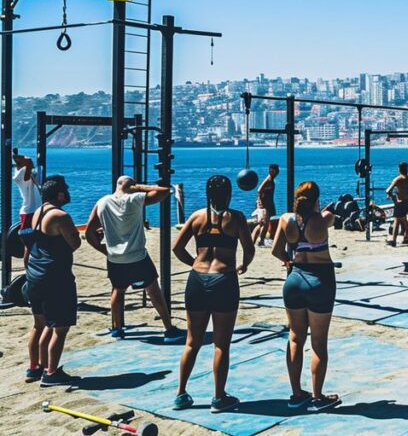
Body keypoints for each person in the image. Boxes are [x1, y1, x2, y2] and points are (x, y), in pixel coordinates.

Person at [170, 175, 254, 412]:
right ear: (228, 194)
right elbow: (249, 249)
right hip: (224, 280)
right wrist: (244, 265)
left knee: (192, 342)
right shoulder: (236, 218)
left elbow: (177, 247)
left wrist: (193, 263)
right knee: (221, 344)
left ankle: (181, 393)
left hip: (197, 280)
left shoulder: (197, 217)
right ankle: (218, 397)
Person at [85, 176, 183, 341]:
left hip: (115, 257)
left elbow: (89, 233)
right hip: (137, 255)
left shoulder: (102, 202)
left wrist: (104, 250)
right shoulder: (134, 198)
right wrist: (140, 187)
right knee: (153, 290)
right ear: (129, 185)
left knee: (118, 289)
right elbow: (165, 191)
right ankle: (168, 328)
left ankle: (117, 328)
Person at [272, 181, 341, 411]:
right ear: (316, 199)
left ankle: (296, 394)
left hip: (294, 280)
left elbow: (276, 250)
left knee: (295, 338)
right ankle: (317, 397)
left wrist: (289, 261)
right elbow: (331, 216)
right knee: (319, 343)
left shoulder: (285, 219)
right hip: (320, 280)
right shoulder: (323, 219)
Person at [23, 176, 81, 387]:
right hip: (55, 278)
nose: (67, 193)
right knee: (61, 327)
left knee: (40, 325)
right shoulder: (60, 215)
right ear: (59, 194)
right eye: (65, 190)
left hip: (35, 275)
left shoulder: (37, 213)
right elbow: (74, 243)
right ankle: (52, 372)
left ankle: (34, 367)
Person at [385, 162, 408, 246]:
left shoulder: (398, 179)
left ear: (399, 169)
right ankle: (406, 238)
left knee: (396, 221)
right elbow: (404, 189)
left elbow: (388, 190)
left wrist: (393, 197)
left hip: (400, 202)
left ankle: (393, 240)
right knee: (404, 220)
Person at [252, 164, 279, 247]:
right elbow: (259, 190)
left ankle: (254, 240)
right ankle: (261, 241)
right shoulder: (268, 179)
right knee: (264, 223)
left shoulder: (271, 180)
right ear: (273, 171)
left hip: (269, 204)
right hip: (265, 205)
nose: (278, 172)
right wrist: (260, 202)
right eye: (276, 170)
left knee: (262, 223)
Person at [13, 152, 42, 230]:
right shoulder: (21, 175)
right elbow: (28, 161)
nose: (32, 164)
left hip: (34, 209)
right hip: (29, 211)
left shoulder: (26, 173)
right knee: (26, 234)